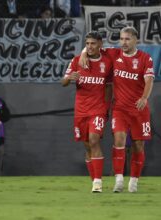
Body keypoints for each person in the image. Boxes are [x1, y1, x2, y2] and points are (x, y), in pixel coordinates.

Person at [79, 26, 155, 193]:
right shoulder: (114, 54)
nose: (123, 42)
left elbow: (149, 80)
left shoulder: (145, 58)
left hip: (139, 109)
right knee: (119, 140)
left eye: (127, 39)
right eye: (121, 39)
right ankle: (119, 179)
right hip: (120, 108)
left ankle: (134, 181)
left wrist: (144, 98)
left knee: (138, 145)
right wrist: (84, 53)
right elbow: (93, 47)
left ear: (135, 39)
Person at [61, 31, 113, 193]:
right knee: (87, 146)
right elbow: (63, 82)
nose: (90, 47)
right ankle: (94, 179)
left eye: (93, 44)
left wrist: (106, 107)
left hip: (97, 109)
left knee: (94, 140)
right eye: (87, 44)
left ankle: (98, 182)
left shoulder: (107, 61)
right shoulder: (77, 61)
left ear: (100, 45)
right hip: (81, 111)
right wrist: (70, 78)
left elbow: (109, 86)